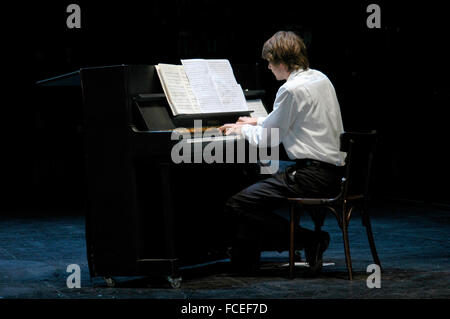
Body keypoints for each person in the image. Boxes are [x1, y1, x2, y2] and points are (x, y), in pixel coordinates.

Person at [219, 31, 346, 275]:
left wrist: (240, 130)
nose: (268, 66)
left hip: (312, 176)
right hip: (333, 172)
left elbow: (268, 138)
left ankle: (308, 240)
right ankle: (247, 258)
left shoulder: (290, 90)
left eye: (269, 61)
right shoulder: (319, 78)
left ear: (281, 61)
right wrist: (257, 121)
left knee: (238, 204)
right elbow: (295, 118)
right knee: (256, 184)